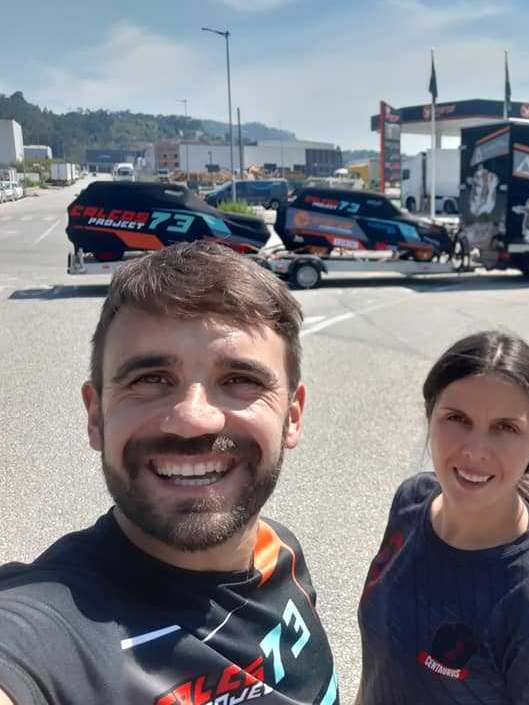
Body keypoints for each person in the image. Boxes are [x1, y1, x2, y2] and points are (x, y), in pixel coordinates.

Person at [0, 242, 339, 705]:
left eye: (240, 380)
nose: (193, 419)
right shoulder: (47, 629)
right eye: (151, 379)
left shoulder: (278, 549)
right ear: (96, 417)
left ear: (292, 416)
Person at [357, 331, 529, 704]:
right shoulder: (411, 501)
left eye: (505, 427)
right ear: (430, 415)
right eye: (457, 418)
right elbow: (380, 666)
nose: (475, 451)